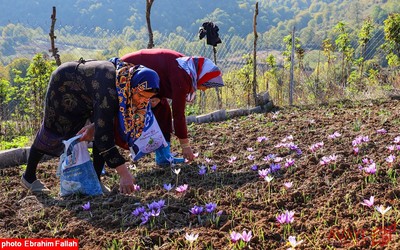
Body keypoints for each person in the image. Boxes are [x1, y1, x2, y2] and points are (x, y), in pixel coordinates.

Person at [21, 58, 160, 194]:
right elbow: (103, 136)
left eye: (147, 97)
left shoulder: (124, 79)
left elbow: (107, 119)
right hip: (64, 85)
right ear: (135, 86)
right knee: (53, 131)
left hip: (89, 91)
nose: (143, 101)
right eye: (141, 95)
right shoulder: (110, 89)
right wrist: (124, 173)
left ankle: (95, 179)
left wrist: (95, 126)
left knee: (101, 128)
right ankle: (29, 177)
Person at [120, 49, 224, 166]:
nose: (204, 89)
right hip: (127, 72)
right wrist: (185, 146)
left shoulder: (188, 69)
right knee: (115, 119)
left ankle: (163, 157)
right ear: (201, 77)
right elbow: (178, 114)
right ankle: (104, 161)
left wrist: (157, 95)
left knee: (163, 111)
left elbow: (162, 78)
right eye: (206, 85)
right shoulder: (183, 76)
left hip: (144, 77)